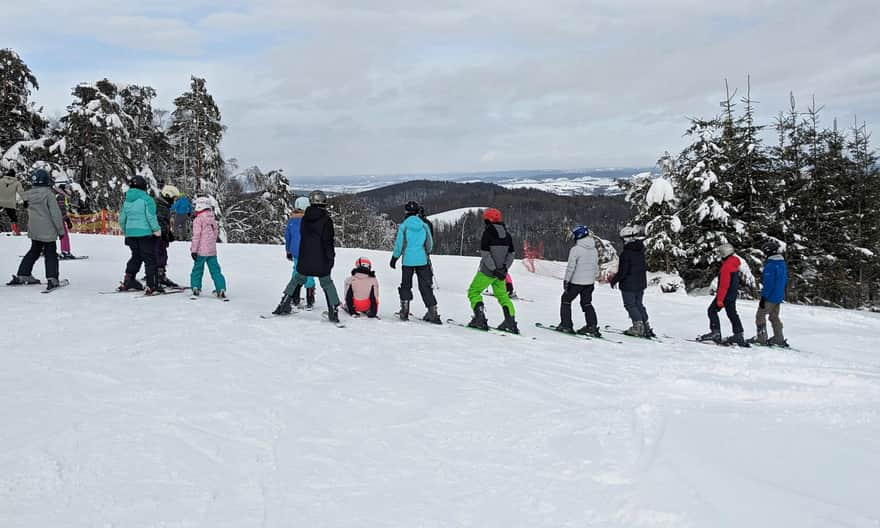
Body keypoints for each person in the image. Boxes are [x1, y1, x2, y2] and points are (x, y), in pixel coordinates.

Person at [272, 190, 341, 322]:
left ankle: (284, 304)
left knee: (297, 279)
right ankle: (333, 311)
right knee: (327, 283)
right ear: (323, 202)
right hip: (322, 259)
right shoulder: (327, 220)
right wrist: (330, 258)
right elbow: (328, 242)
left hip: (305, 258)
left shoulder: (305, 219)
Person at [7, 169, 65, 288]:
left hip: (34, 229)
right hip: (48, 230)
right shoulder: (49, 195)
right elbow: (56, 214)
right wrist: (60, 230)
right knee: (50, 253)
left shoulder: (28, 195)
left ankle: (23, 274)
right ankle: (52, 278)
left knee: (34, 251)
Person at [467, 208, 518, 333]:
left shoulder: (487, 233)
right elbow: (511, 254)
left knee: (473, 292)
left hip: (487, 271)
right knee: (503, 296)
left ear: (488, 220)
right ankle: (510, 322)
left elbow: (485, 254)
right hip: (501, 274)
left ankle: (479, 319)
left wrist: (494, 269)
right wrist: (504, 269)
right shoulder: (507, 235)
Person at [391, 200, 441, 323]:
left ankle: (405, 311)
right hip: (422, 260)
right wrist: (426, 252)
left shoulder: (404, 226)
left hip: (407, 260)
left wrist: (394, 258)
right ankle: (433, 313)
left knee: (406, 285)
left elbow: (399, 244)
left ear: (406, 212)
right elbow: (429, 243)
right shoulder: (423, 225)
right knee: (425, 286)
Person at [118, 175, 163, 294]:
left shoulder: (127, 200)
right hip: (145, 234)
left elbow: (122, 219)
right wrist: (156, 230)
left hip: (131, 234)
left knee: (136, 256)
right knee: (150, 258)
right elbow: (151, 217)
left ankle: (129, 279)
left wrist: (127, 231)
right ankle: (152, 284)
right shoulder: (147, 199)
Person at [556, 225, 602, 337]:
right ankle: (592, 326)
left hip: (576, 282)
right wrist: (594, 277)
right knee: (586, 303)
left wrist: (566, 280)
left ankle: (566, 325)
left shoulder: (576, 250)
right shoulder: (594, 249)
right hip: (589, 283)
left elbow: (571, 267)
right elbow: (596, 267)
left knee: (566, 300)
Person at [698, 243, 748, 346]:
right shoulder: (734, 263)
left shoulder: (727, 266)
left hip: (725, 294)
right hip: (732, 294)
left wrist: (720, 299)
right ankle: (738, 334)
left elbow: (724, 285)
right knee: (732, 313)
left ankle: (715, 332)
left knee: (712, 310)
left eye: (721, 254)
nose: (720, 257)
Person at [610, 226, 654, 338]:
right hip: (640, 283)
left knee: (630, 305)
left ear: (626, 239)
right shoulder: (640, 250)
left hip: (629, 284)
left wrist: (614, 280)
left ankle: (638, 327)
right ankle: (646, 325)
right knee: (639, 304)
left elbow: (623, 271)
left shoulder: (626, 253)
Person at [750, 240, 788, 347]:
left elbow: (769, 284)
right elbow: (784, 280)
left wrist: (764, 297)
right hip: (778, 296)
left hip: (770, 297)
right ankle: (778, 338)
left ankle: (761, 338)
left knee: (760, 316)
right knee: (774, 317)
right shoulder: (781, 264)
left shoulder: (771, 265)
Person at [190, 196, 227, 298]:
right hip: (211, 251)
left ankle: (195, 287)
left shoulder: (198, 220)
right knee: (215, 270)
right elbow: (215, 234)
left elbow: (196, 236)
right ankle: (221, 288)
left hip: (201, 251)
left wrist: (194, 250)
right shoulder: (212, 218)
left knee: (197, 270)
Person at [284, 196, 317, 308]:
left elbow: (288, 237)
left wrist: (288, 251)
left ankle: (295, 297)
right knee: (309, 274)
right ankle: (310, 299)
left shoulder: (292, 221)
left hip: (296, 252)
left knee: (297, 272)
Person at [155, 185, 181, 287]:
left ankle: (159, 274)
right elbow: (159, 222)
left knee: (162, 254)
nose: (174, 201)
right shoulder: (160, 206)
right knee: (159, 255)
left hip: (160, 236)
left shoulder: (163, 205)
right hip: (157, 237)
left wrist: (168, 233)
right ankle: (157, 276)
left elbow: (164, 222)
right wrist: (165, 233)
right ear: (168, 195)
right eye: (174, 198)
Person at [54, 183, 76, 259]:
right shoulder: (61, 196)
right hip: (59, 219)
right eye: (67, 189)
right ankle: (65, 251)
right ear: (63, 190)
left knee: (62, 235)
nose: (69, 191)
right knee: (64, 235)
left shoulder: (62, 196)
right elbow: (61, 210)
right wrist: (67, 220)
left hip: (58, 219)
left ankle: (66, 251)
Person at [1, 168, 24, 235]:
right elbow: (21, 192)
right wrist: (25, 200)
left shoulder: (1, 181)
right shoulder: (17, 183)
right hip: (10, 202)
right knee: (13, 217)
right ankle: (15, 231)